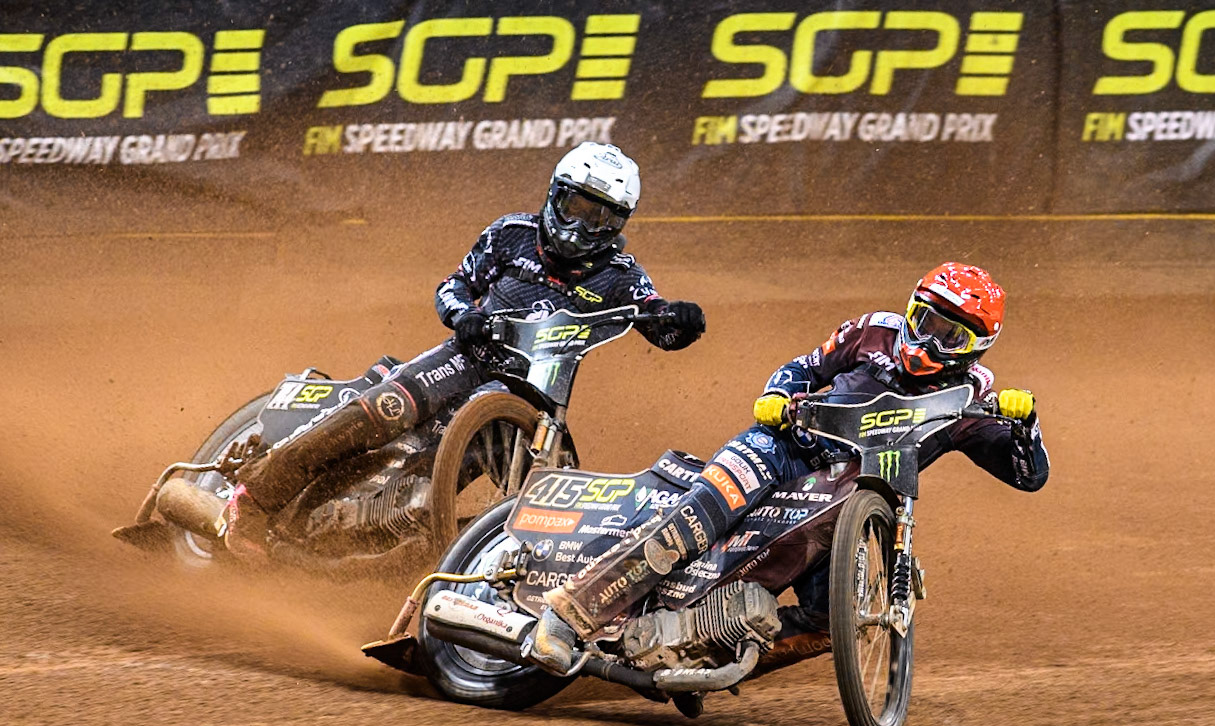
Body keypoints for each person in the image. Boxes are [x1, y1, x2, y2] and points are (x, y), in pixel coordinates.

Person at [528, 262, 1049, 673]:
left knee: (833, 622)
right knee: (696, 520)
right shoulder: (874, 331)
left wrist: (1026, 424)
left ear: (976, 346)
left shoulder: (972, 397)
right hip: (783, 447)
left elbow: (1028, 475)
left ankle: (707, 654)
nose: (928, 341)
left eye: (949, 336)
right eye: (925, 321)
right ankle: (567, 616)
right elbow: (804, 367)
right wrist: (778, 395)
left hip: (843, 501)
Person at [224, 142, 706, 555]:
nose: (581, 226)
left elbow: (657, 322)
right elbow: (453, 285)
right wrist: (465, 316)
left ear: (619, 222)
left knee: (452, 482)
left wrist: (680, 322)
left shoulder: (622, 276)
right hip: (467, 358)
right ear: (555, 194)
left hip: (532, 396)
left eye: (600, 216)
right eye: (576, 207)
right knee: (385, 408)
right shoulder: (511, 234)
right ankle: (255, 496)